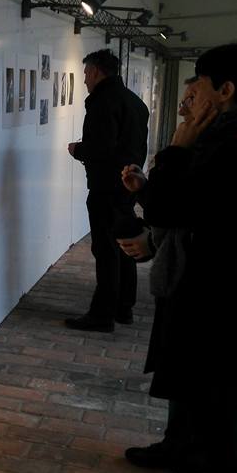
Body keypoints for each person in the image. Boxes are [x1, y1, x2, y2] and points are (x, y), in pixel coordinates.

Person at [124, 41, 237, 473]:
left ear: (225, 90)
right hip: (222, 298)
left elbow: (170, 208)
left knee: (222, 426)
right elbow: (190, 208)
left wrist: (176, 150)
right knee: (217, 419)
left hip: (222, 306)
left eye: (201, 84)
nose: (192, 94)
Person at [118, 77, 209, 473]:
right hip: (180, 276)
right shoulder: (203, 148)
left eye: (192, 98)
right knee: (179, 371)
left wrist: (175, 154)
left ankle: (198, 463)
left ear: (223, 94)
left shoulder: (225, 152)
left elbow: (183, 212)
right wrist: (146, 192)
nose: (183, 107)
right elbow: (173, 208)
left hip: (205, 285)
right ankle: (177, 446)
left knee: (200, 380)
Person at [66, 49, 149, 332]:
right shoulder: (135, 102)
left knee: (105, 249)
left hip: (106, 187)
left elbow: (102, 148)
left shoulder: (103, 102)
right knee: (125, 245)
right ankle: (124, 308)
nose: (85, 80)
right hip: (127, 184)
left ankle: (102, 315)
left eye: (86, 74)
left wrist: (78, 150)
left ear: (97, 71)